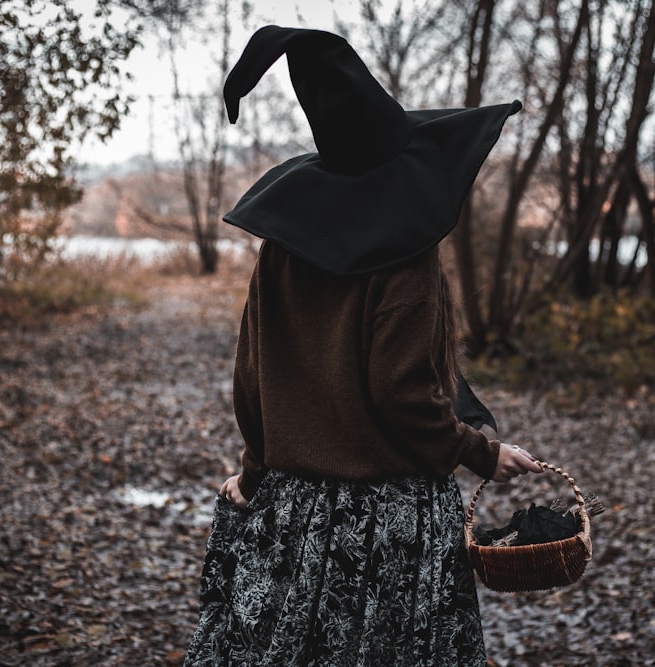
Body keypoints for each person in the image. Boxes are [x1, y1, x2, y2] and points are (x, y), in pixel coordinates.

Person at [184, 25, 543, 667]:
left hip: (294, 512)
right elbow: (402, 395)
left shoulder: (281, 250)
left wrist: (255, 471)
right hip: (388, 526)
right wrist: (481, 453)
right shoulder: (408, 261)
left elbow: (253, 381)